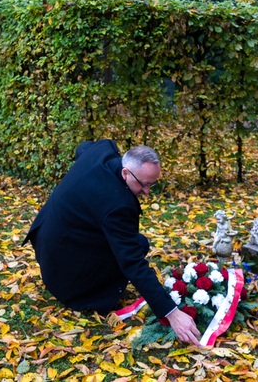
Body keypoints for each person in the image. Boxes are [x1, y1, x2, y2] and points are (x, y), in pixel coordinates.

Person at [24, 140, 200, 346]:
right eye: (142, 184)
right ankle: (90, 292)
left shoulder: (104, 149)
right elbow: (132, 262)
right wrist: (172, 313)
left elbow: (82, 148)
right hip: (64, 273)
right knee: (138, 246)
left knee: (138, 241)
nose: (146, 191)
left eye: (151, 184)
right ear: (125, 173)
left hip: (47, 239)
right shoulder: (117, 205)